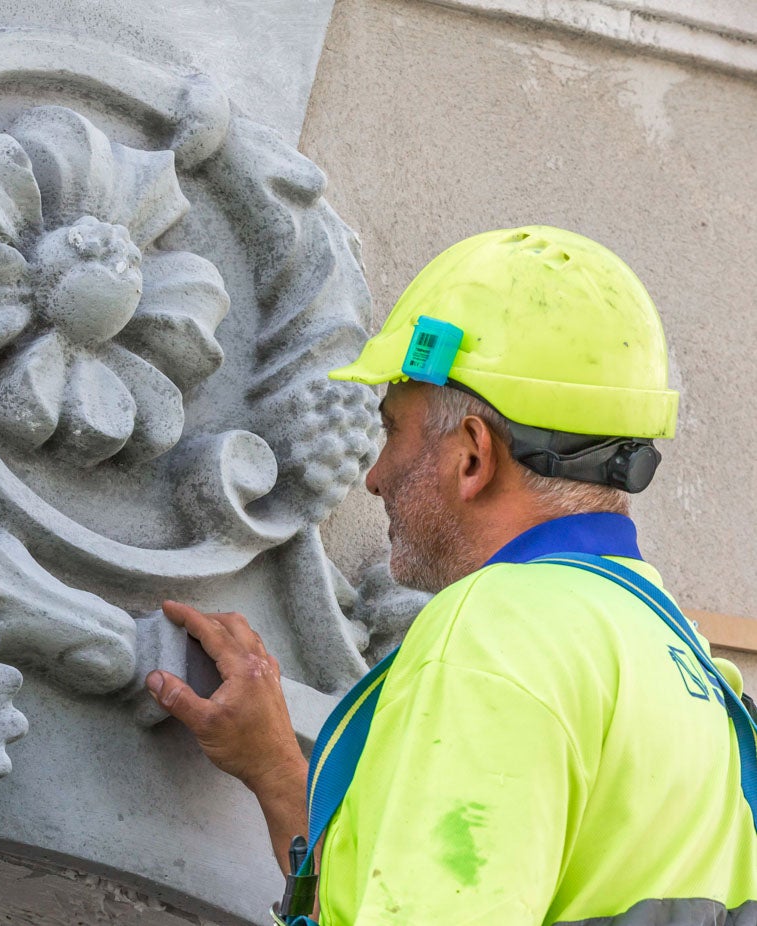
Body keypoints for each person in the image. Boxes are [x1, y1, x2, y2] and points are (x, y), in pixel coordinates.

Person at [145, 226, 757, 924]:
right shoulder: (686, 665)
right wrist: (280, 773)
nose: (372, 478)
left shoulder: (499, 633)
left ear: (470, 456)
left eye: (393, 430)